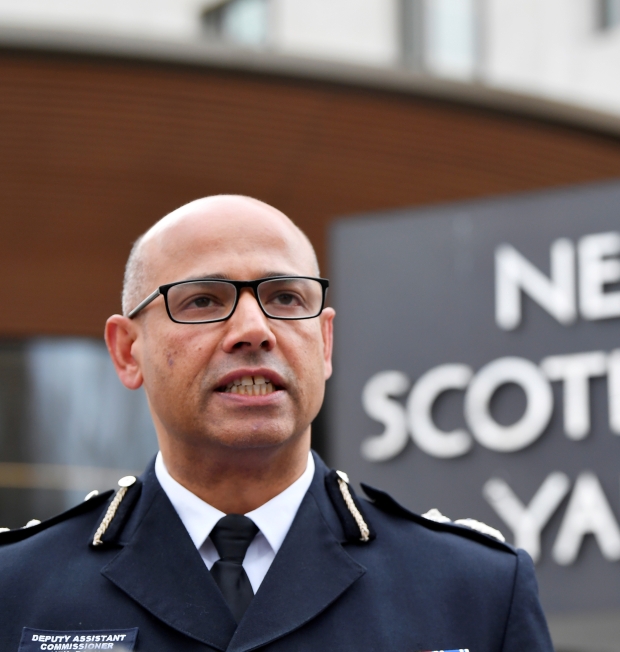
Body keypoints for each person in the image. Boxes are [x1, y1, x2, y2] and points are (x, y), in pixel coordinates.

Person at [0, 196, 554, 652]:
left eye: (286, 298)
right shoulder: (18, 588)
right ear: (127, 352)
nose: (254, 330)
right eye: (202, 300)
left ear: (326, 342)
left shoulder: (472, 589)